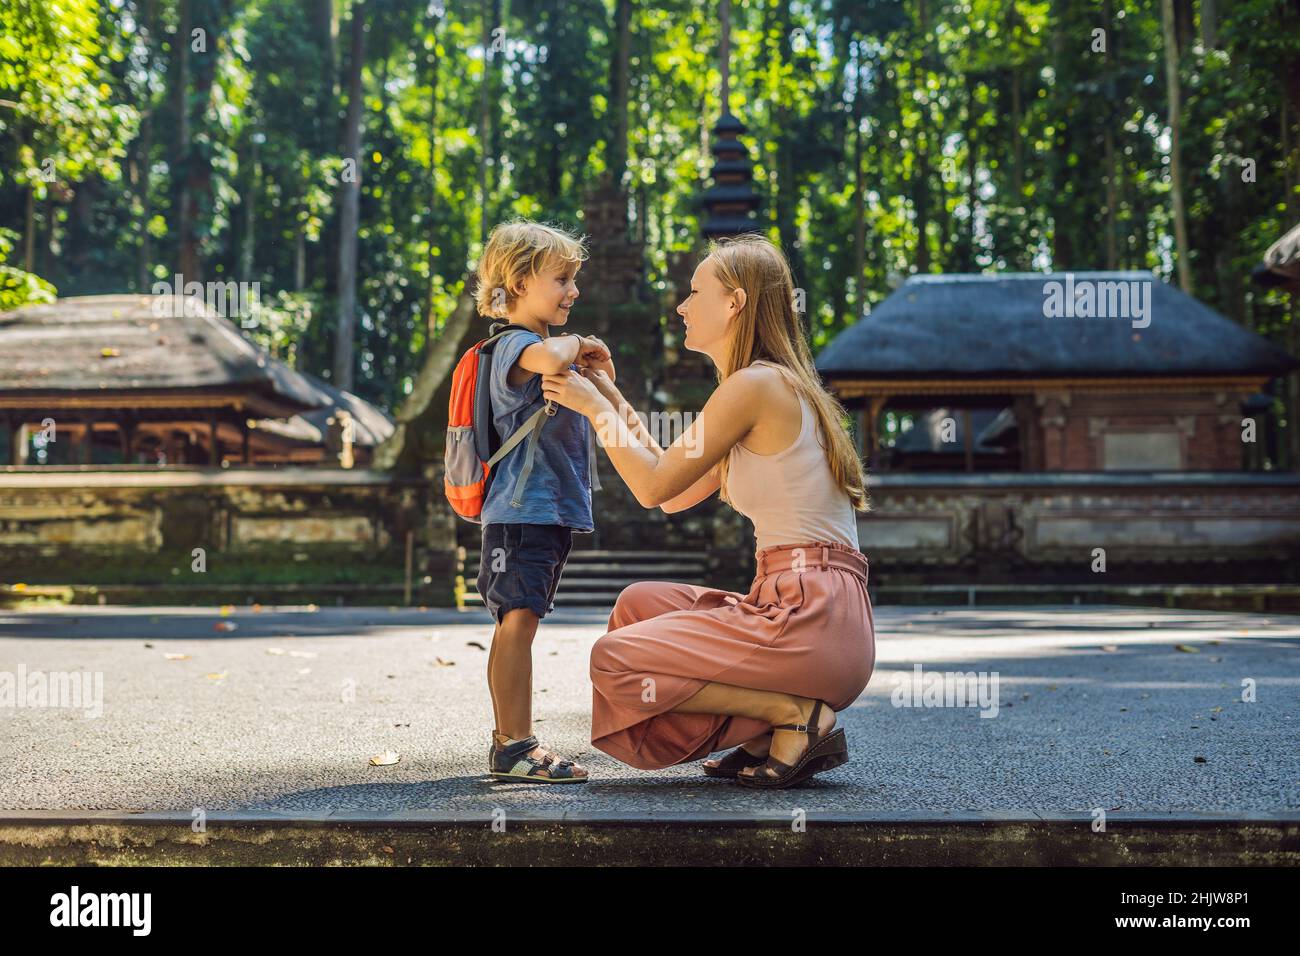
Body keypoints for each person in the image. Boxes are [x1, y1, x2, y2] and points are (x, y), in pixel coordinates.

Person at [541, 234, 875, 789]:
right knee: (637, 606)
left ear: (735, 303)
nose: (682, 306)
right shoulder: (761, 390)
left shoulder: (755, 387)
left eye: (696, 292)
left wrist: (596, 411)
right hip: (812, 612)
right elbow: (670, 487)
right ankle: (771, 725)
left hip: (811, 617)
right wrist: (609, 395)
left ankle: (793, 715)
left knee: (612, 659)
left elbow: (649, 489)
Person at [473, 220, 615, 784]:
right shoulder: (515, 344)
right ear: (520, 281)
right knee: (519, 620)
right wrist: (579, 345)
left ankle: (507, 740)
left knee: (516, 620)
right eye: (562, 279)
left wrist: (598, 369)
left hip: (540, 512)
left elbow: (595, 397)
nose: (573, 292)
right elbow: (551, 360)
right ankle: (515, 746)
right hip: (520, 512)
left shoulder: (542, 347)